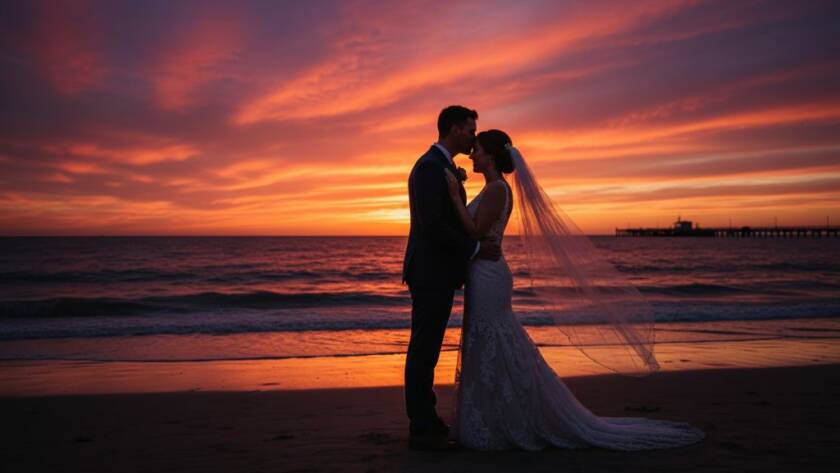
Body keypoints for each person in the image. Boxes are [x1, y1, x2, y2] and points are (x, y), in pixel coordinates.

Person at [443, 129, 705, 450]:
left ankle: (504, 419)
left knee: (492, 339)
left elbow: (474, 231)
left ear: (492, 156)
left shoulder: (498, 189)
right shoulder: (491, 189)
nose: (472, 155)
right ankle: (492, 416)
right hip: (483, 272)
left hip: (488, 275)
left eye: (478, 150)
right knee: (486, 341)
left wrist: (455, 197)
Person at [401, 106, 501, 451]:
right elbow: (432, 226)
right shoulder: (430, 168)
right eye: (472, 130)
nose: (475, 137)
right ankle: (421, 426)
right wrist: (473, 251)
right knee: (423, 349)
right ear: (456, 129)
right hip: (430, 272)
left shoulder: (441, 166)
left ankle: (426, 418)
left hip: (437, 271)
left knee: (427, 348)